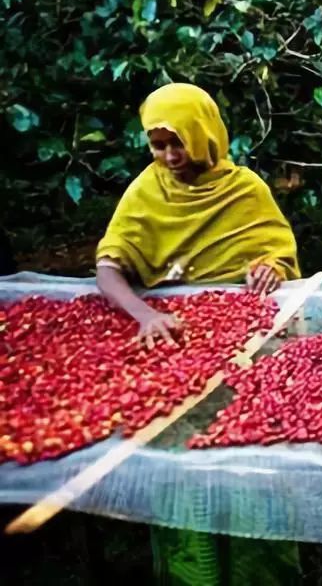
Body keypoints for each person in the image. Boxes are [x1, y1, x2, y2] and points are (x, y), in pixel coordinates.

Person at [95, 82, 301, 586]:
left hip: (247, 361)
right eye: (157, 144)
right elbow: (109, 267)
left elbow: (277, 258)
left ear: (205, 133)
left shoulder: (245, 190)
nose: (168, 156)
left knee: (253, 477)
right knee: (184, 484)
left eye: (177, 142)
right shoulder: (147, 190)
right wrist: (144, 314)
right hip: (173, 359)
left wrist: (269, 267)